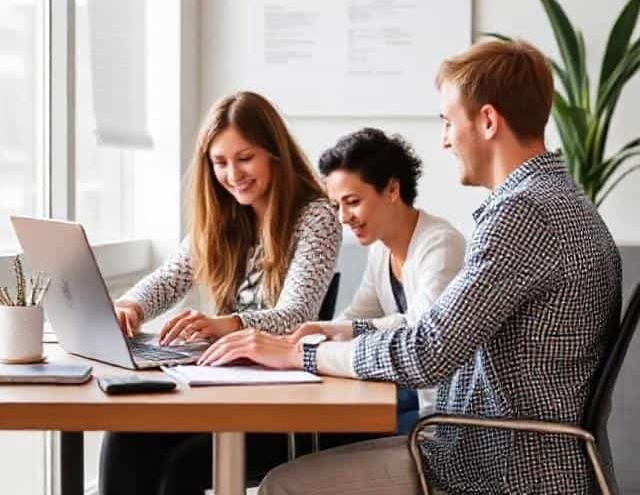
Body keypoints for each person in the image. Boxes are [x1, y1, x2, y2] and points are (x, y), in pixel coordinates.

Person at [201, 40, 622, 495]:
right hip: (505, 452)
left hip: (498, 467)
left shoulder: (522, 214)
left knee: (283, 485)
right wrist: (346, 334)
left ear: (486, 120)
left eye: (447, 121)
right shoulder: (557, 199)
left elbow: (428, 353)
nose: (444, 139)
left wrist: (297, 355)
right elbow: (435, 327)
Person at [99, 91, 342, 495]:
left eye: (245, 158)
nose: (233, 174)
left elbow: (296, 314)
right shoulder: (227, 214)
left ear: (274, 153)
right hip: (227, 383)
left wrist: (221, 325)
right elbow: (171, 276)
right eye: (220, 163)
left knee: (183, 465)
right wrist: (132, 305)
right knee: (126, 437)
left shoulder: (315, 216)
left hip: (284, 399)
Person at [301, 127, 465, 436]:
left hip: (443, 414)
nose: (342, 218)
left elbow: (422, 334)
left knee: (335, 440)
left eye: (352, 202)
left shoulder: (441, 246)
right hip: (412, 395)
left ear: (392, 190)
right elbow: (357, 316)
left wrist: (337, 332)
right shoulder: (381, 249)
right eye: (337, 205)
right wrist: (319, 333)